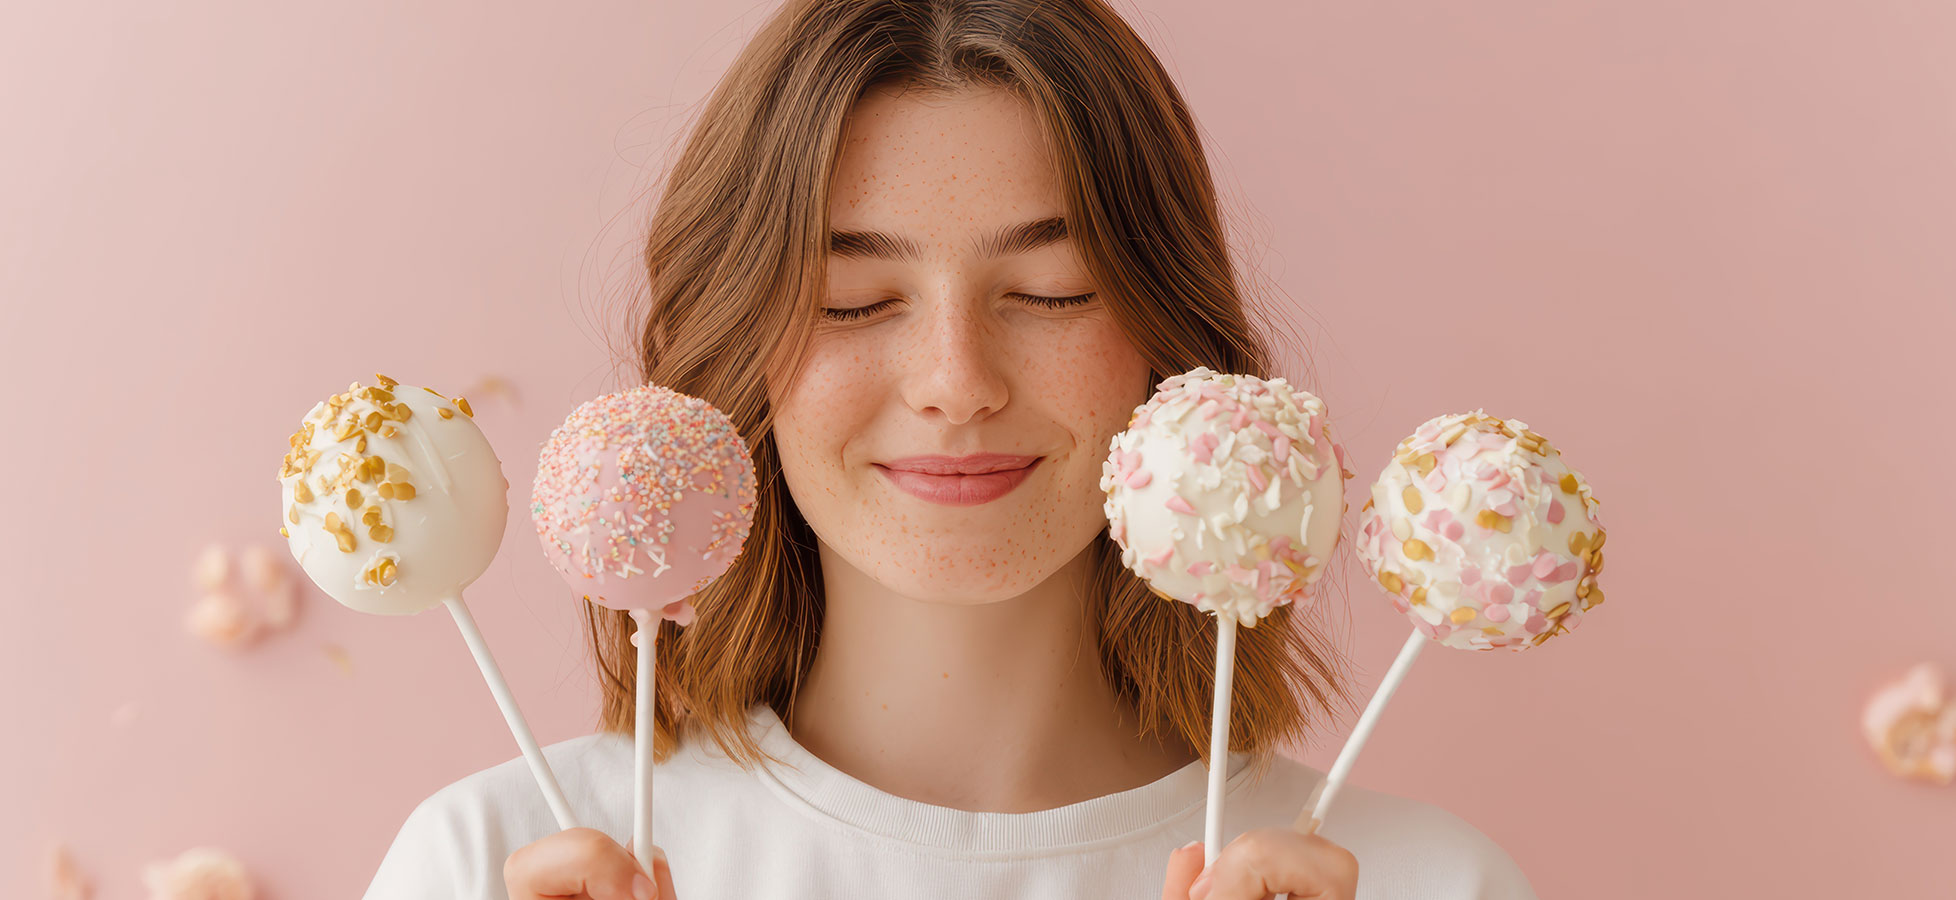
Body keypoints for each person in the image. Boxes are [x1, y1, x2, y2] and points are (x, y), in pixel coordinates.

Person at [365, 1, 1539, 897]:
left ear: (1170, 344)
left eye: (1052, 290)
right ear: (734, 354)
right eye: (854, 300)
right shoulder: (499, 862)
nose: (956, 384)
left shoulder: (1416, 881)